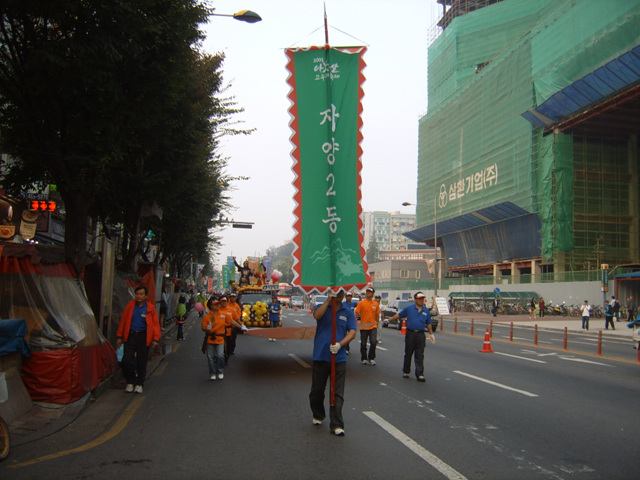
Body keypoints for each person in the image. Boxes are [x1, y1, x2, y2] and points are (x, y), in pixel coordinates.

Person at [309, 290, 356, 436]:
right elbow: (316, 316)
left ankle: (336, 424)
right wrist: (328, 301)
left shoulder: (347, 311)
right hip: (321, 356)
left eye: (340, 293)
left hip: (339, 358)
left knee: (337, 393)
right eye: (336, 292)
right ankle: (318, 414)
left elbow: (353, 332)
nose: (338, 295)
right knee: (316, 391)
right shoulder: (322, 306)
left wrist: (340, 344)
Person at [116, 286, 161, 394]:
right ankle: (130, 381)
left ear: (146, 296)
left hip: (143, 337)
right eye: (137, 294)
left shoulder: (150, 308)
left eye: (141, 294)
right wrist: (119, 336)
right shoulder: (130, 306)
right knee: (126, 360)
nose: (139, 296)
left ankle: (139, 383)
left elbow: (155, 325)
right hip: (130, 336)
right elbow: (123, 321)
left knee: (141, 361)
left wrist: (156, 338)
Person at [386, 292, 435, 382]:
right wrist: (389, 320)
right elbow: (399, 315)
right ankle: (406, 370)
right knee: (408, 353)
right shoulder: (409, 309)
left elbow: (428, 323)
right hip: (411, 334)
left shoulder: (425, 311)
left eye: (422, 299)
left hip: (420, 334)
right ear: (415, 299)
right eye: (419, 299)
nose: (421, 300)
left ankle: (420, 374)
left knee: (419, 354)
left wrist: (431, 334)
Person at [202, 298, 226, 380]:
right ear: (211, 306)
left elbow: (232, 321)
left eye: (218, 304)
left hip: (220, 339)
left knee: (220, 355)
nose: (217, 306)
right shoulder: (207, 316)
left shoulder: (223, 314)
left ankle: (220, 371)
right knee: (210, 357)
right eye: (215, 304)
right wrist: (207, 328)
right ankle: (212, 373)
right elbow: (203, 328)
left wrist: (241, 327)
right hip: (210, 339)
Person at [355, 286, 380, 365]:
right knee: (363, 343)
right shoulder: (361, 303)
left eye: (370, 292)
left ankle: (371, 358)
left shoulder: (375, 304)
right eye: (367, 291)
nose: (368, 293)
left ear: (373, 294)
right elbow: (356, 313)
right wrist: (354, 322)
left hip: (373, 326)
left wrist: (377, 323)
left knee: (373, 342)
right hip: (364, 326)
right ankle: (364, 358)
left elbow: (377, 315)